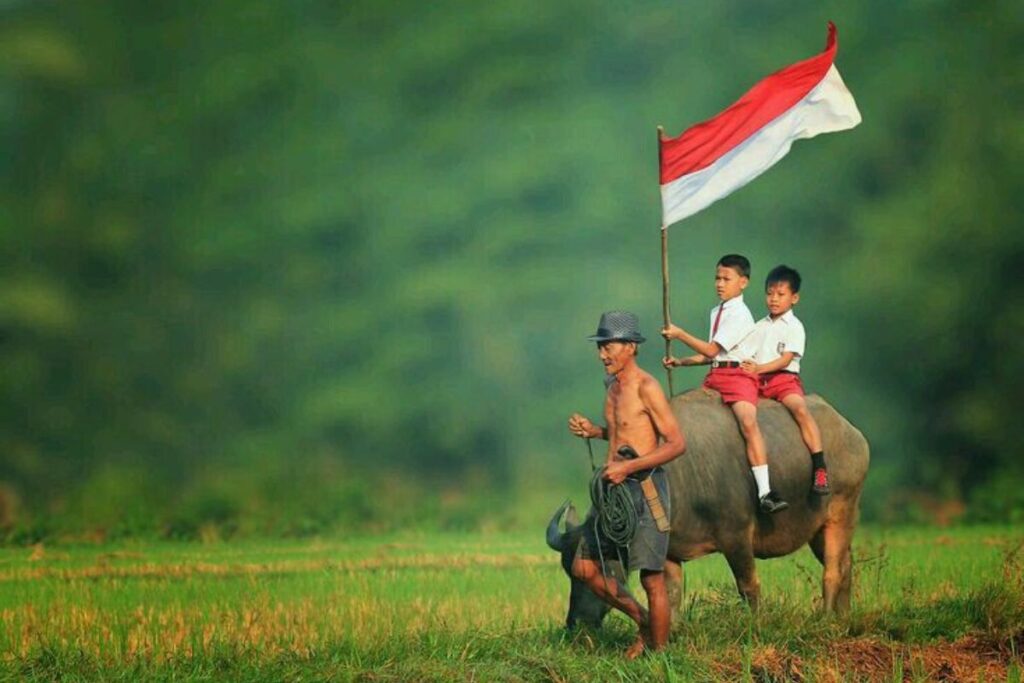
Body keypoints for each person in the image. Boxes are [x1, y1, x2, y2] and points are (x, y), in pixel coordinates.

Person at [566, 310, 686, 658]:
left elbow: (676, 443)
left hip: (644, 490)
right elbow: (626, 433)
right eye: (600, 347)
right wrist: (595, 431)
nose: (602, 354)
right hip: (613, 494)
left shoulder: (647, 387)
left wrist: (628, 467)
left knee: (652, 580)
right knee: (583, 566)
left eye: (609, 346)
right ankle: (644, 622)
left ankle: (661, 659)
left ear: (631, 347)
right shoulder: (612, 386)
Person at [660, 254, 789, 514]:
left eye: (726, 279)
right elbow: (713, 355)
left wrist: (680, 333)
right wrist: (681, 362)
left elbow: (710, 349)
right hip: (716, 375)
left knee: (748, 422)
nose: (720, 284)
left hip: (738, 378)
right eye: (717, 278)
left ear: (743, 282)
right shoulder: (716, 311)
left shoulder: (740, 314)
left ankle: (765, 491)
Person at [740, 265, 829, 494]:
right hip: (758, 381)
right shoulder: (759, 326)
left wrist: (758, 368)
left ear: (794, 298)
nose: (773, 300)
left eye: (780, 295)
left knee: (799, 409)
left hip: (783, 380)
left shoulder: (795, 327)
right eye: (769, 294)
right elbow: (743, 353)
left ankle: (820, 467)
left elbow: (785, 359)